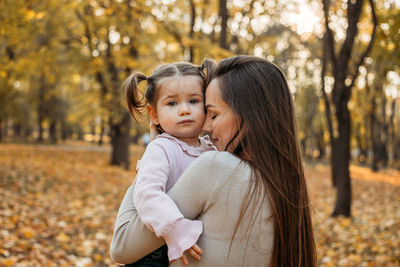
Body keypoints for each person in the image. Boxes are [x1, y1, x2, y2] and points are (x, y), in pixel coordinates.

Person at [111, 55, 317, 266]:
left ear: (248, 116)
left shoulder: (215, 167)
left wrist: (145, 164)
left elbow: (121, 248)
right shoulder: (286, 188)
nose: (205, 126)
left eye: (213, 114)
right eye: (172, 103)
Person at [122, 61, 216, 266]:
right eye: (172, 103)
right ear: (154, 114)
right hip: (155, 252)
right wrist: (175, 228)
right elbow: (147, 193)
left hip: (194, 246)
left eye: (193, 101)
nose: (184, 110)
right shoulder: (161, 148)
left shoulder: (210, 149)